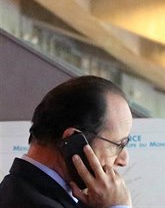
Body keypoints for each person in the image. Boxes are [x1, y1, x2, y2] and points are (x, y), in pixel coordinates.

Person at [0, 76, 133, 208]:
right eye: (117, 145)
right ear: (74, 140)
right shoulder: (31, 202)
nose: (123, 160)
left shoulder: (18, 190)